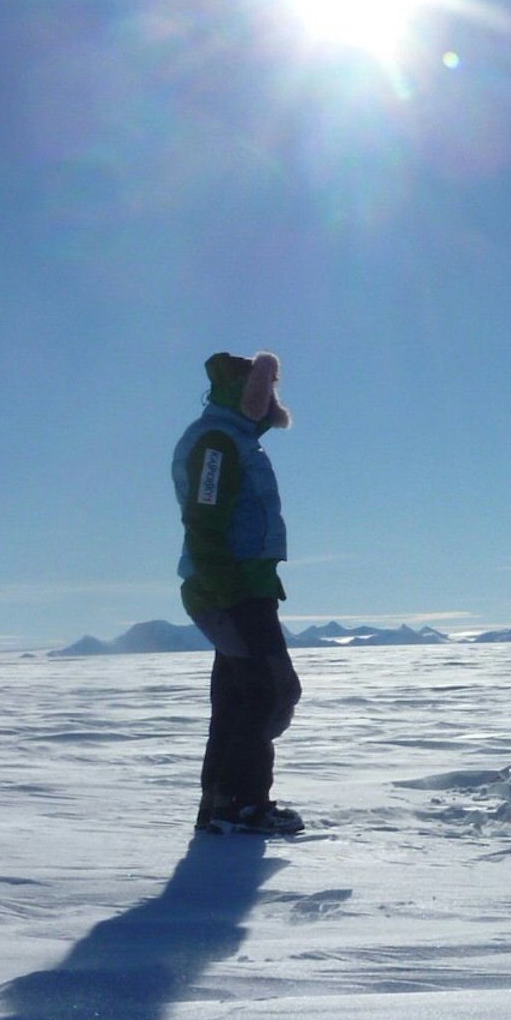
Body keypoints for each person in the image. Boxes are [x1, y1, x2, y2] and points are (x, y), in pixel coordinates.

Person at [171, 351, 305, 835]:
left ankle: (223, 807)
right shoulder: (217, 442)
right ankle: (242, 806)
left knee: (238, 698)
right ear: (245, 394)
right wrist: (225, 588)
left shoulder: (234, 440)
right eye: (262, 389)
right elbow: (204, 519)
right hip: (233, 589)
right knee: (269, 691)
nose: (269, 398)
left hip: (243, 585)